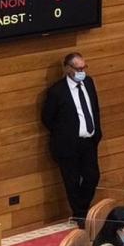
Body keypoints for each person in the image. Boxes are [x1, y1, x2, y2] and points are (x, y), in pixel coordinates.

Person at [41, 52, 102, 227]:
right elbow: (47, 118)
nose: (82, 71)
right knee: (72, 180)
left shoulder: (89, 83)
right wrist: (64, 133)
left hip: (89, 141)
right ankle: (80, 214)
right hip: (68, 144)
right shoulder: (57, 91)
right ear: (68, 69)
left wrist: (96, 133)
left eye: (84, 67)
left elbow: (94, 108)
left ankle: (81, 209)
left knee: (92, 176)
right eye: (78, 68)